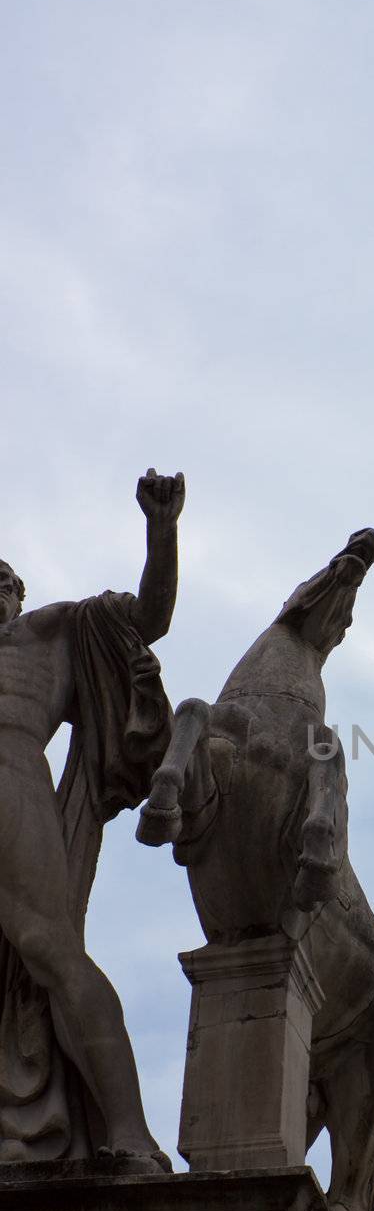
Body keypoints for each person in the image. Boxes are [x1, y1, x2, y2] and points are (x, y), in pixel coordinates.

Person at [0, 469, 184, 1168]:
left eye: (4, 581)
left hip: (10, 778)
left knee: (47, 948)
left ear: (19, 597)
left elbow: (150, 616)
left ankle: (129, 1132)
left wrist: (160, 531)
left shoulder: (49, 632)